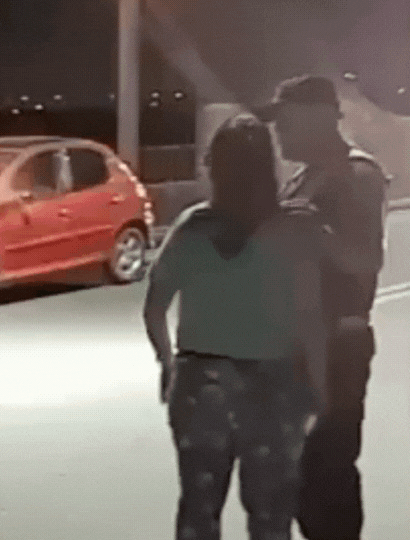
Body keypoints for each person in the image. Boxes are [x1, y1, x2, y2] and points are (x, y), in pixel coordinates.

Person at [144, 114, 329, 540]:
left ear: (215, 167)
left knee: (199, 509)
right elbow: (310, 319)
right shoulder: (295, 229)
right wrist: (319, 385)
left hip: (200, 385)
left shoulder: (192, 228)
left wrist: (169, 365)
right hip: (275, 386)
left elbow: (154, 308)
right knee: (270, 514)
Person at [255, 74, 390, 540]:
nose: (279, 133)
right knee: (297, 479)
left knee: (326, 478)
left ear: (319, 119)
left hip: (337, 350)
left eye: (285, 122)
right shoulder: (303, 177)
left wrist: (319, 235)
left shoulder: (356, 175)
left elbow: (367, 261)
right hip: (293, 349)